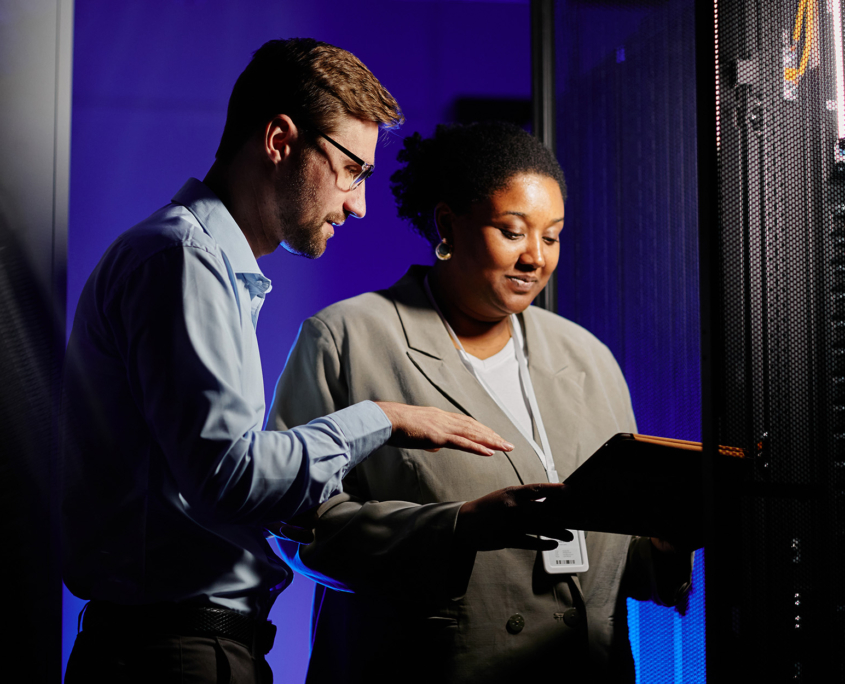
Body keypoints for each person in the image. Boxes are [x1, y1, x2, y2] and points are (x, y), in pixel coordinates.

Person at [61, 40, 515, 684]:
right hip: (173, 653)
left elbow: (218, 487)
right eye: (353, 169)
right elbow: (229, 476)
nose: (359, 204)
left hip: (188, 647)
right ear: (279, 140)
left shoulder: (203, 265)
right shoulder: (180, 260)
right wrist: (383, 419)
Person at [269, 121, 694, 683]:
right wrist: (458, 528)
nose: (535, 258)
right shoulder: (347, 338)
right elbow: (297, 524)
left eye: (552, 236)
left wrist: (668, 544)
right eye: (513, 231)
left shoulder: (589, 359)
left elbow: (620, 560)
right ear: (447, 224)